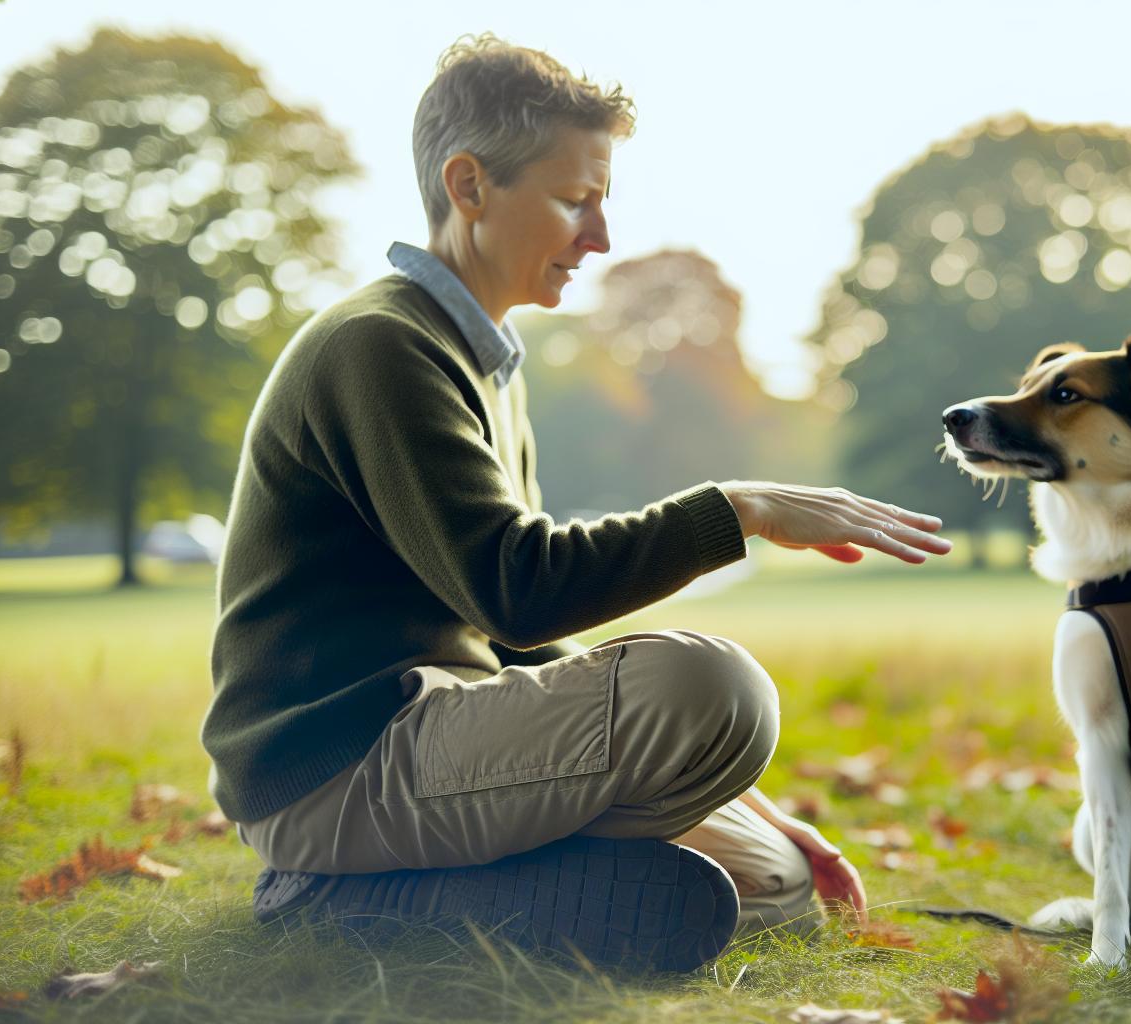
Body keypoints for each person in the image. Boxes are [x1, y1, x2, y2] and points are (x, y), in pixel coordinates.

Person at [200, 34, 952, 970]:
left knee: (777, 876)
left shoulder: (485, 364)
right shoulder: (379, 346)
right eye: (573, 201)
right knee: (716, 689)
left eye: (603, 204)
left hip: (448, 739)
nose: (600, 238)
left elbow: (515, 640)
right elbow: (519, 587)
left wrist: (758, 806)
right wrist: (738, 509)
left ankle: (423, 896)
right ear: (468, 185)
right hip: (342, 767)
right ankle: (326, 892)